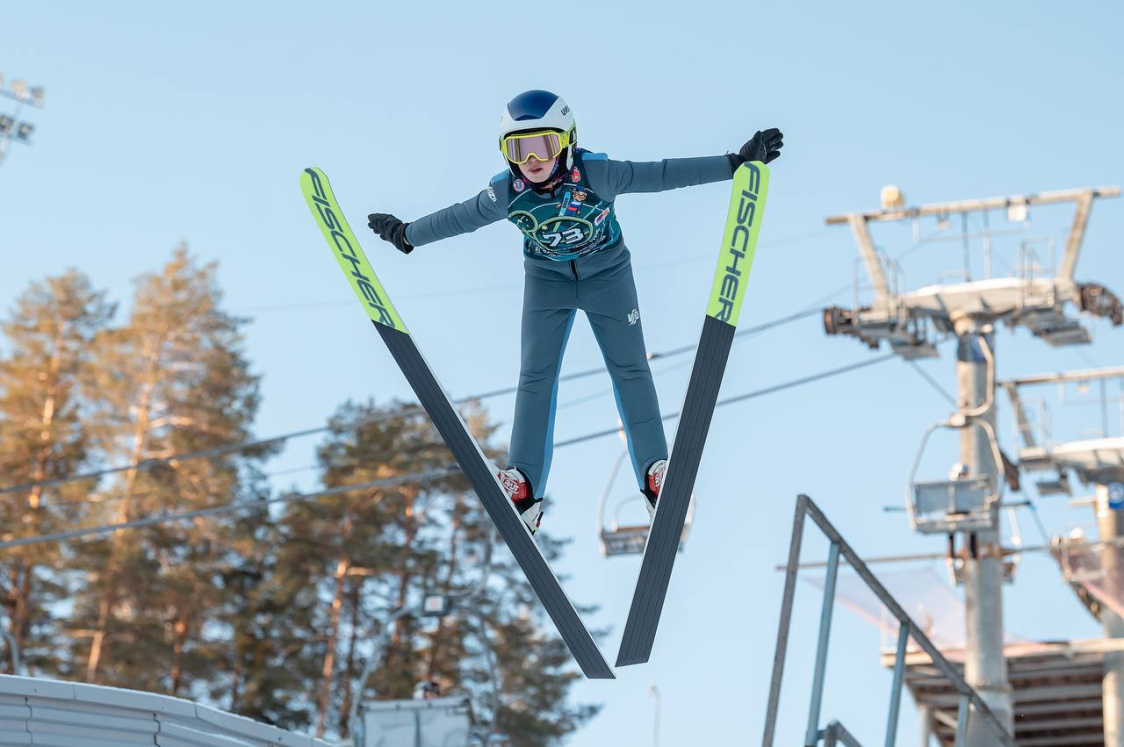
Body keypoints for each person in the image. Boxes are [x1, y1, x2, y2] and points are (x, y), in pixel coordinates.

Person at [368, 90, 782, 535]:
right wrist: (406, 234)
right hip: (548, 283)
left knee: (630, 369)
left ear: (566, 141)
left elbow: (661, 174)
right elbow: (460, 217)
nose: (531, 159)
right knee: (535, 375)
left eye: (542, 145)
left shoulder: (598, 173)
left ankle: (655, 474)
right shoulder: (506, 193)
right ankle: (524, 485)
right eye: (518, 148)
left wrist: (732, 165)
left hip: (608, 277)